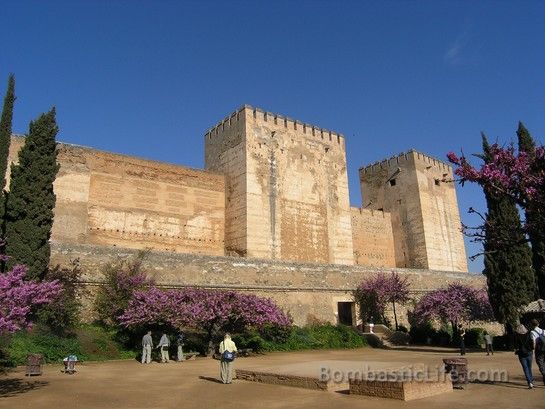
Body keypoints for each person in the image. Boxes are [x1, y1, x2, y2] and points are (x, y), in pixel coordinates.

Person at [514, 323, 534, 389]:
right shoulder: (528, 334)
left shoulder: (517, 335)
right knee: (529, 367)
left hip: (521, 354)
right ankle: (531, 380)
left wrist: (516, 350)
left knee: (525, 368)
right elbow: (532, 342)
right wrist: (531, 349)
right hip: (529, 352)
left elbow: (516, 346)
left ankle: (529, 382)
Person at [530, 319, 545, 386]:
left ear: (532, 325)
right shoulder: (543, 331)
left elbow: (533, 342)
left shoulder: (532, 332)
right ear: (538, 324)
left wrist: (532, 350)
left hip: (539, 351)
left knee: (540, 364)